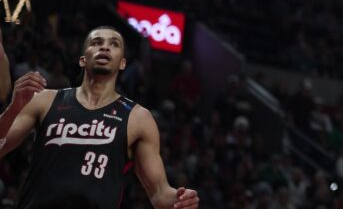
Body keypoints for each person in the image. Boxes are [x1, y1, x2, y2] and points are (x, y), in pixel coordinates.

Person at [0, 26, 200, 208]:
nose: (104, 48)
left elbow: (159, 193)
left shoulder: (138, 118)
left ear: (122, 63)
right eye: (96, 43)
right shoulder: (45, 100)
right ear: (82, 59)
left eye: (113, 44)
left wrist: (179, 200)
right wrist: (14, 107)